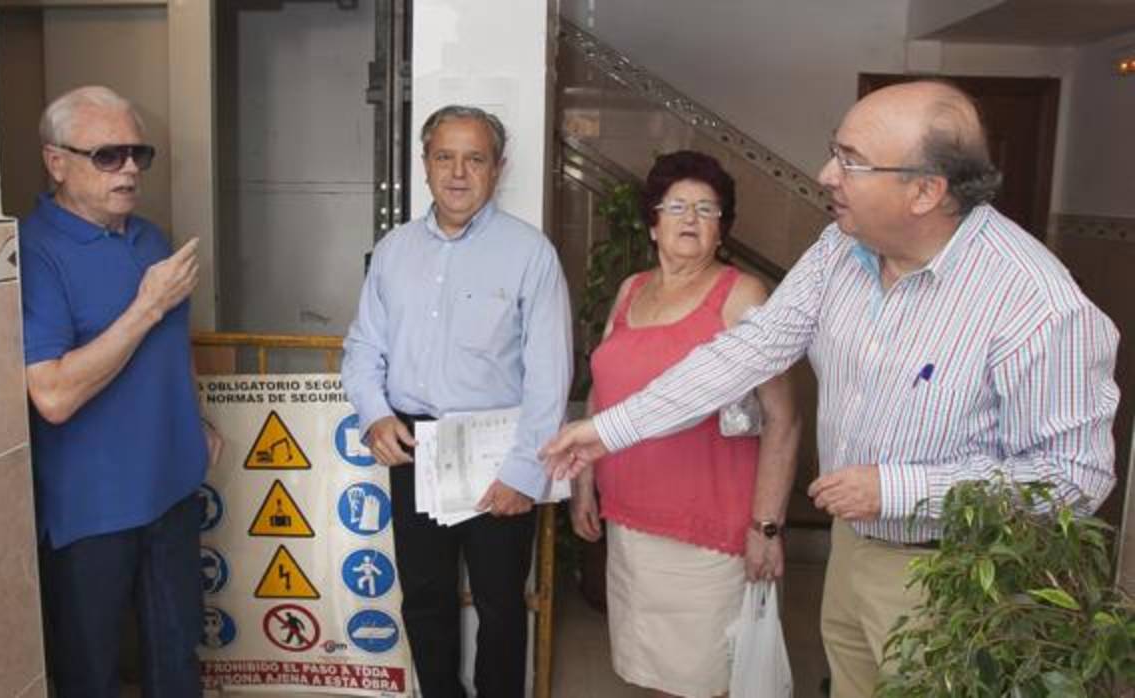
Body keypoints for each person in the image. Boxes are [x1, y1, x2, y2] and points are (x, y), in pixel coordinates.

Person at [542, 80, 1119, 698]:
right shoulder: (841, 249)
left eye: (851, 161)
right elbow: (748, 350)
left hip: (953, 570)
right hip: (853, 547)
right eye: (833, 151)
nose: (824, 174)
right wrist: (606, 431)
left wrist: (897, 487)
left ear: (925, 191)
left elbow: (1074, 478)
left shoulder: (1037, 304)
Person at [341, 105, 572, 698]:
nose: (458, 172)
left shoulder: (531, 253)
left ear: (498, 169)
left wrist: (525, 471)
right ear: (425, 165)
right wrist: (374, 415)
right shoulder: (393, 251)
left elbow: (550, 373)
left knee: (500, 604)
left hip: (500, 448)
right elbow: (364, 345)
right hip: (414, 445)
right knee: (424, 596)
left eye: (475, 158)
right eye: (444, 156)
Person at [568, 150, 799, 697]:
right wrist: (583, 482)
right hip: (630, 523)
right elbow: (603, 387)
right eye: (676, 206)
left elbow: (784, 419)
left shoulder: (741, 295)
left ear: (722, 229)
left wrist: (766, 526)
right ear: (653, 222)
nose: (690, 218)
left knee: (706, 677)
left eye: (706, 208)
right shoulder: (629, 291)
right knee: (650, 671)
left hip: (708, 531)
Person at [20, 85, 221, 698]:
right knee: (93, 675)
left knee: (176, 662)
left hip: (171, 491)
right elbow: (52, 395)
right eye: (108, 155)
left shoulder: (150, 239)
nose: (130, 168)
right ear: (58, 162)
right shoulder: (33, 251)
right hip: (91, 511)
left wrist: (197, 421)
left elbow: (172, 343)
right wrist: (148, 304)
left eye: (138, 153)